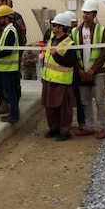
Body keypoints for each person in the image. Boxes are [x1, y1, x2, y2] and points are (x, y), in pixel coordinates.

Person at [70, 0, 105, 139]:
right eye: (84, 12)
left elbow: (104, 52)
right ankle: (88, 126)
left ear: (94, 14)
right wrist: (80, 70)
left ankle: (101, 127)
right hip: (82, 72)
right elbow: (73, 53)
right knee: (85, 101)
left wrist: (93, 70)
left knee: (99, 100)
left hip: (96, 72)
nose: (85, 15)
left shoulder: (100, 30)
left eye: (88, 13)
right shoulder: (75, 31)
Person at [40, 13, 77, 141]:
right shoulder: (51, 40)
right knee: (50, 107)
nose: (52, 27)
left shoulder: (69, 43)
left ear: (61, 27)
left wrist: (56, 55)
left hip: (62, 81)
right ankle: (53, 129)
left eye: (55, 25)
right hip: (49, 79)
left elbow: (70, 62)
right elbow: (46, 58)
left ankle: (64, 131)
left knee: (63, 109)